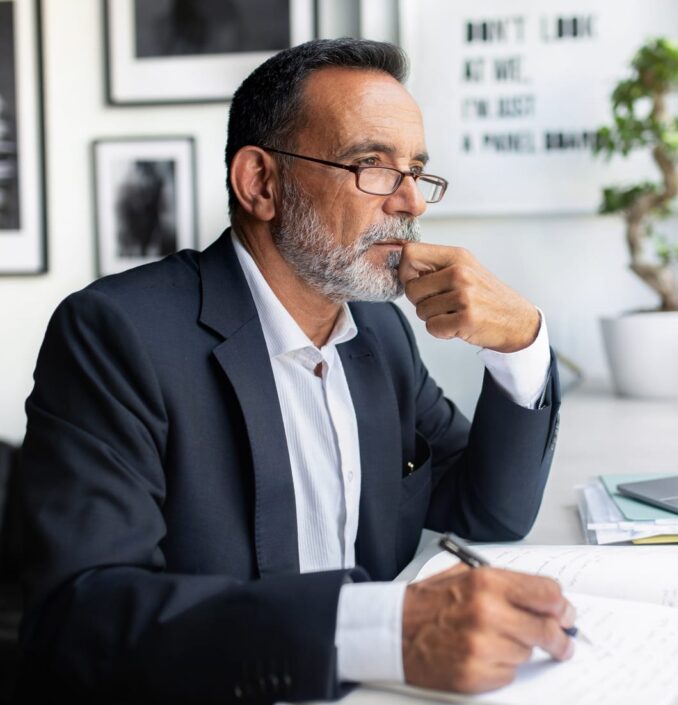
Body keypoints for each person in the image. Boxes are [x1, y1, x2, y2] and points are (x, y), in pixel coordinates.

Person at [18, 38, 572, 703]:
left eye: (415, 170)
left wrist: (521, 344)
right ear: (261, 183)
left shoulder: (379, 333)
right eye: (372, 164)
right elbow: (80, 619)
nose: (412, 203)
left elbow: (488, 509)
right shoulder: (117, 333)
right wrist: (383, 628)